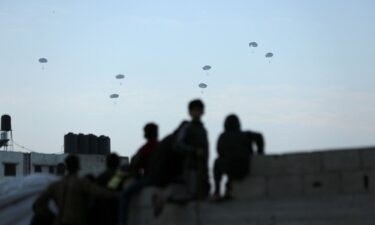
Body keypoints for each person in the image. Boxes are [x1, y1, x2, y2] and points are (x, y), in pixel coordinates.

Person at [152, 99, 210, 217]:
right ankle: (164, 198)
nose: (197, 113)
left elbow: (206, 151)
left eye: (199, 110)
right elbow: (178, 145)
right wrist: (193, 151)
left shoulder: (203, 130)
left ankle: (165, 198)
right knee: (191, 195)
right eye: (195, 110)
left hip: (201, 167)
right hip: (190, 167)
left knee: (201, 195)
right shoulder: (188, 128)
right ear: (190, 112)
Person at [32, 155, 116, 225]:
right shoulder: (82, 183)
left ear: (66, 167)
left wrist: (49, 214)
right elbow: (101, 193)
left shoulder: (56, 185)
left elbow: (38, 203)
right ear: (78, 166)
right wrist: (118, 194)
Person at [212, 114, 264, 201]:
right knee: (231, 162)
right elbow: (259, 136)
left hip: (231, 169)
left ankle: (217, 191)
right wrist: (260, 152)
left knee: (218, 162)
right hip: (244, 168)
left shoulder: (223, 136)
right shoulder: (246, 135)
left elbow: (219, 151)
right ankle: (228, 190)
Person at [118, 123, 159, 225]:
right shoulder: (161, 146)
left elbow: (135, 165)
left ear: (147, 133)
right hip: (161, 178)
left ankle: (122, 222)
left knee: (123, 195)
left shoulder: (145, 148)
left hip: (149, 179)